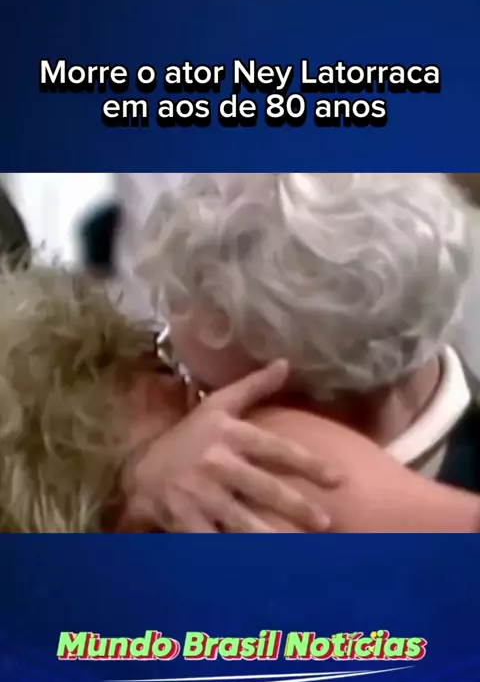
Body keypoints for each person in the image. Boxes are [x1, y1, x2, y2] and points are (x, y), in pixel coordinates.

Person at [130, 173, 480, 506]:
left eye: (207, 392)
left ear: (332, 404)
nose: (189, 417)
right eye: (171, 354)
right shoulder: (152, 447)